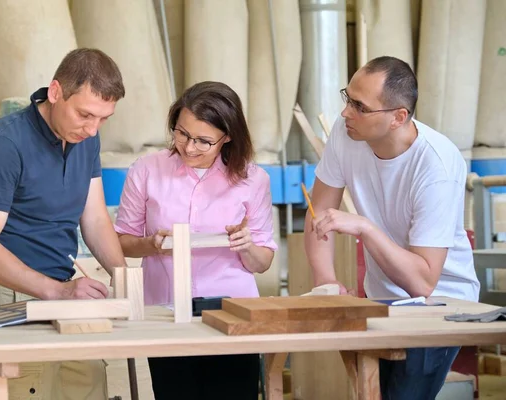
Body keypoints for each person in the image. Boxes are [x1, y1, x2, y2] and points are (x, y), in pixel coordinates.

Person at [303, 55, 480, 399]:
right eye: (347, 98)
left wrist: (366, 228)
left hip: (441, 305)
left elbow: (424, 282)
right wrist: (325, 280)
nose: (344, 113)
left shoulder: (436, 166)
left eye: (359, 106)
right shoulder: (346, 133)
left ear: (399, 117)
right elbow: (318, 213)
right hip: (382, 298)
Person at [0, 48, 128, 399]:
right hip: (10, 296)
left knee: (89, 388)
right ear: (55, 92)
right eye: (85, 114)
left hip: (64, 293)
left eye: (103, 119)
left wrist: (127, 280)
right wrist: (57, 292)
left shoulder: (87, 137)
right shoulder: (4, 143)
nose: (92, 128)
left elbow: (96, 219)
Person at [114, 81, 277, 399]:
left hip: (234, 314)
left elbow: (263, 261)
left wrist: (246, 246)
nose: (189, 147)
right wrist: (152, 244)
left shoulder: (253, 178)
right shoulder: (147, 170)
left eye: (204, 141)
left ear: (227, 137)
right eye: (182, 133)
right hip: (165, 313)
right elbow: (122, 240)